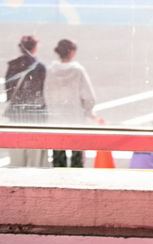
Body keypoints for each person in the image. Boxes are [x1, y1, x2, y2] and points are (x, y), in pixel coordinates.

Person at [44, 38, 96, 167]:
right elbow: (89, 97)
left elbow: (46, 94)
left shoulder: (51, 71)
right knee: (77, 157)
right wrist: (88, 111)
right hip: (75, 118)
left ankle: (58, 178)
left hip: (56, 119)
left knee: (58, 157)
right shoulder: (78, 71)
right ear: (72, 52)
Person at [4, 35, 48, 167]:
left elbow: (9, 89)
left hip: (16, 113)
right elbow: (42, 91)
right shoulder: (39, 66)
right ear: (35, 47)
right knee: (34, 155)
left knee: (17, 154)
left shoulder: (12, 65)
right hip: (35, 114)